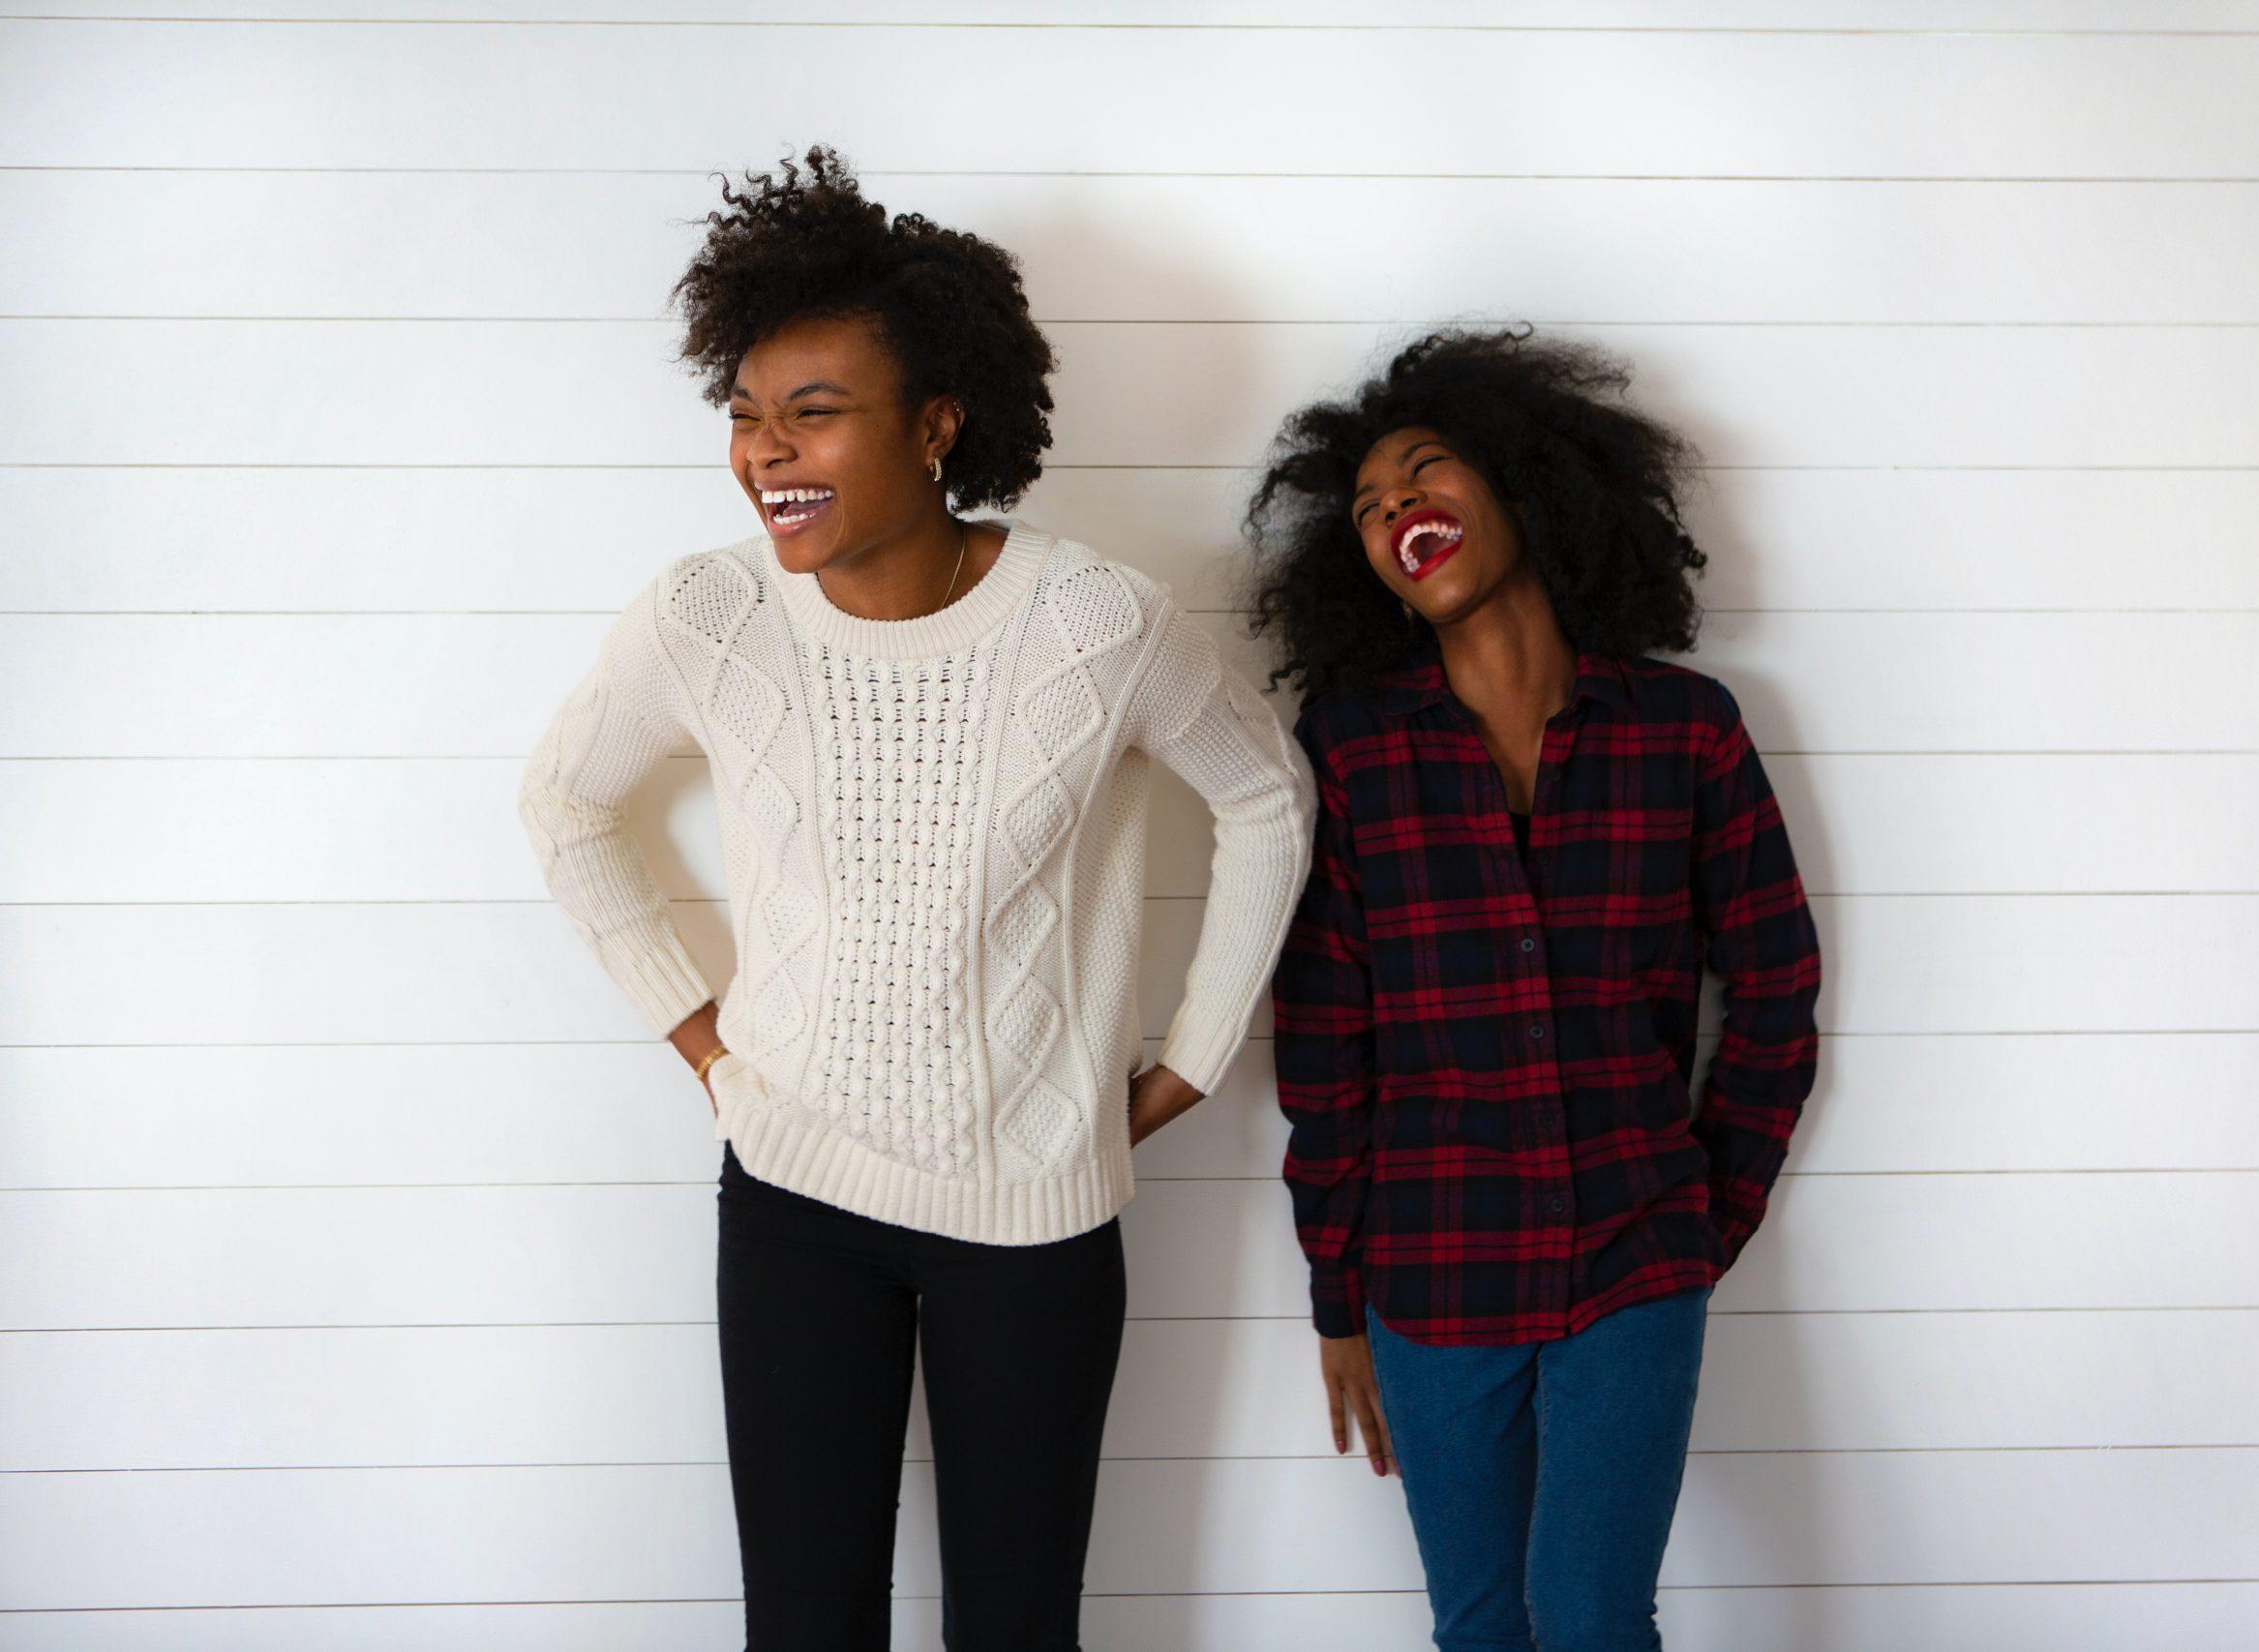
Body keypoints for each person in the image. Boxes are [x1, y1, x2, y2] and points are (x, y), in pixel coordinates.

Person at [515, 145, 1315, 1651]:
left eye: (814, 412)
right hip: (795, 1197)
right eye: (747, 416)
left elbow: (1269, 797)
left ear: (938, 424)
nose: (768, 454)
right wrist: (701, 1042)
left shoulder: (1097, 625)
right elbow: (562, 802)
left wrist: (1196, 1057)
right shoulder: (709, 613)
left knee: (1017, 1632)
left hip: (1039, 1217)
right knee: (806, 1630)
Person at [1245, 326, 1823, 1652]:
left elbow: (1777, 990)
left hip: (1638, 1252)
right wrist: (1340, 1297)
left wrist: (1701, 1215)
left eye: (1425, 472)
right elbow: (1326, 1048)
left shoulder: (1687, 731)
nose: (1396, 510)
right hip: (1433, 1272)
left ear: (1524, 485)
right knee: (1483, 1627)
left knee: (1593, 1614)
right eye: (1371, 508)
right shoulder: (1350, 756)